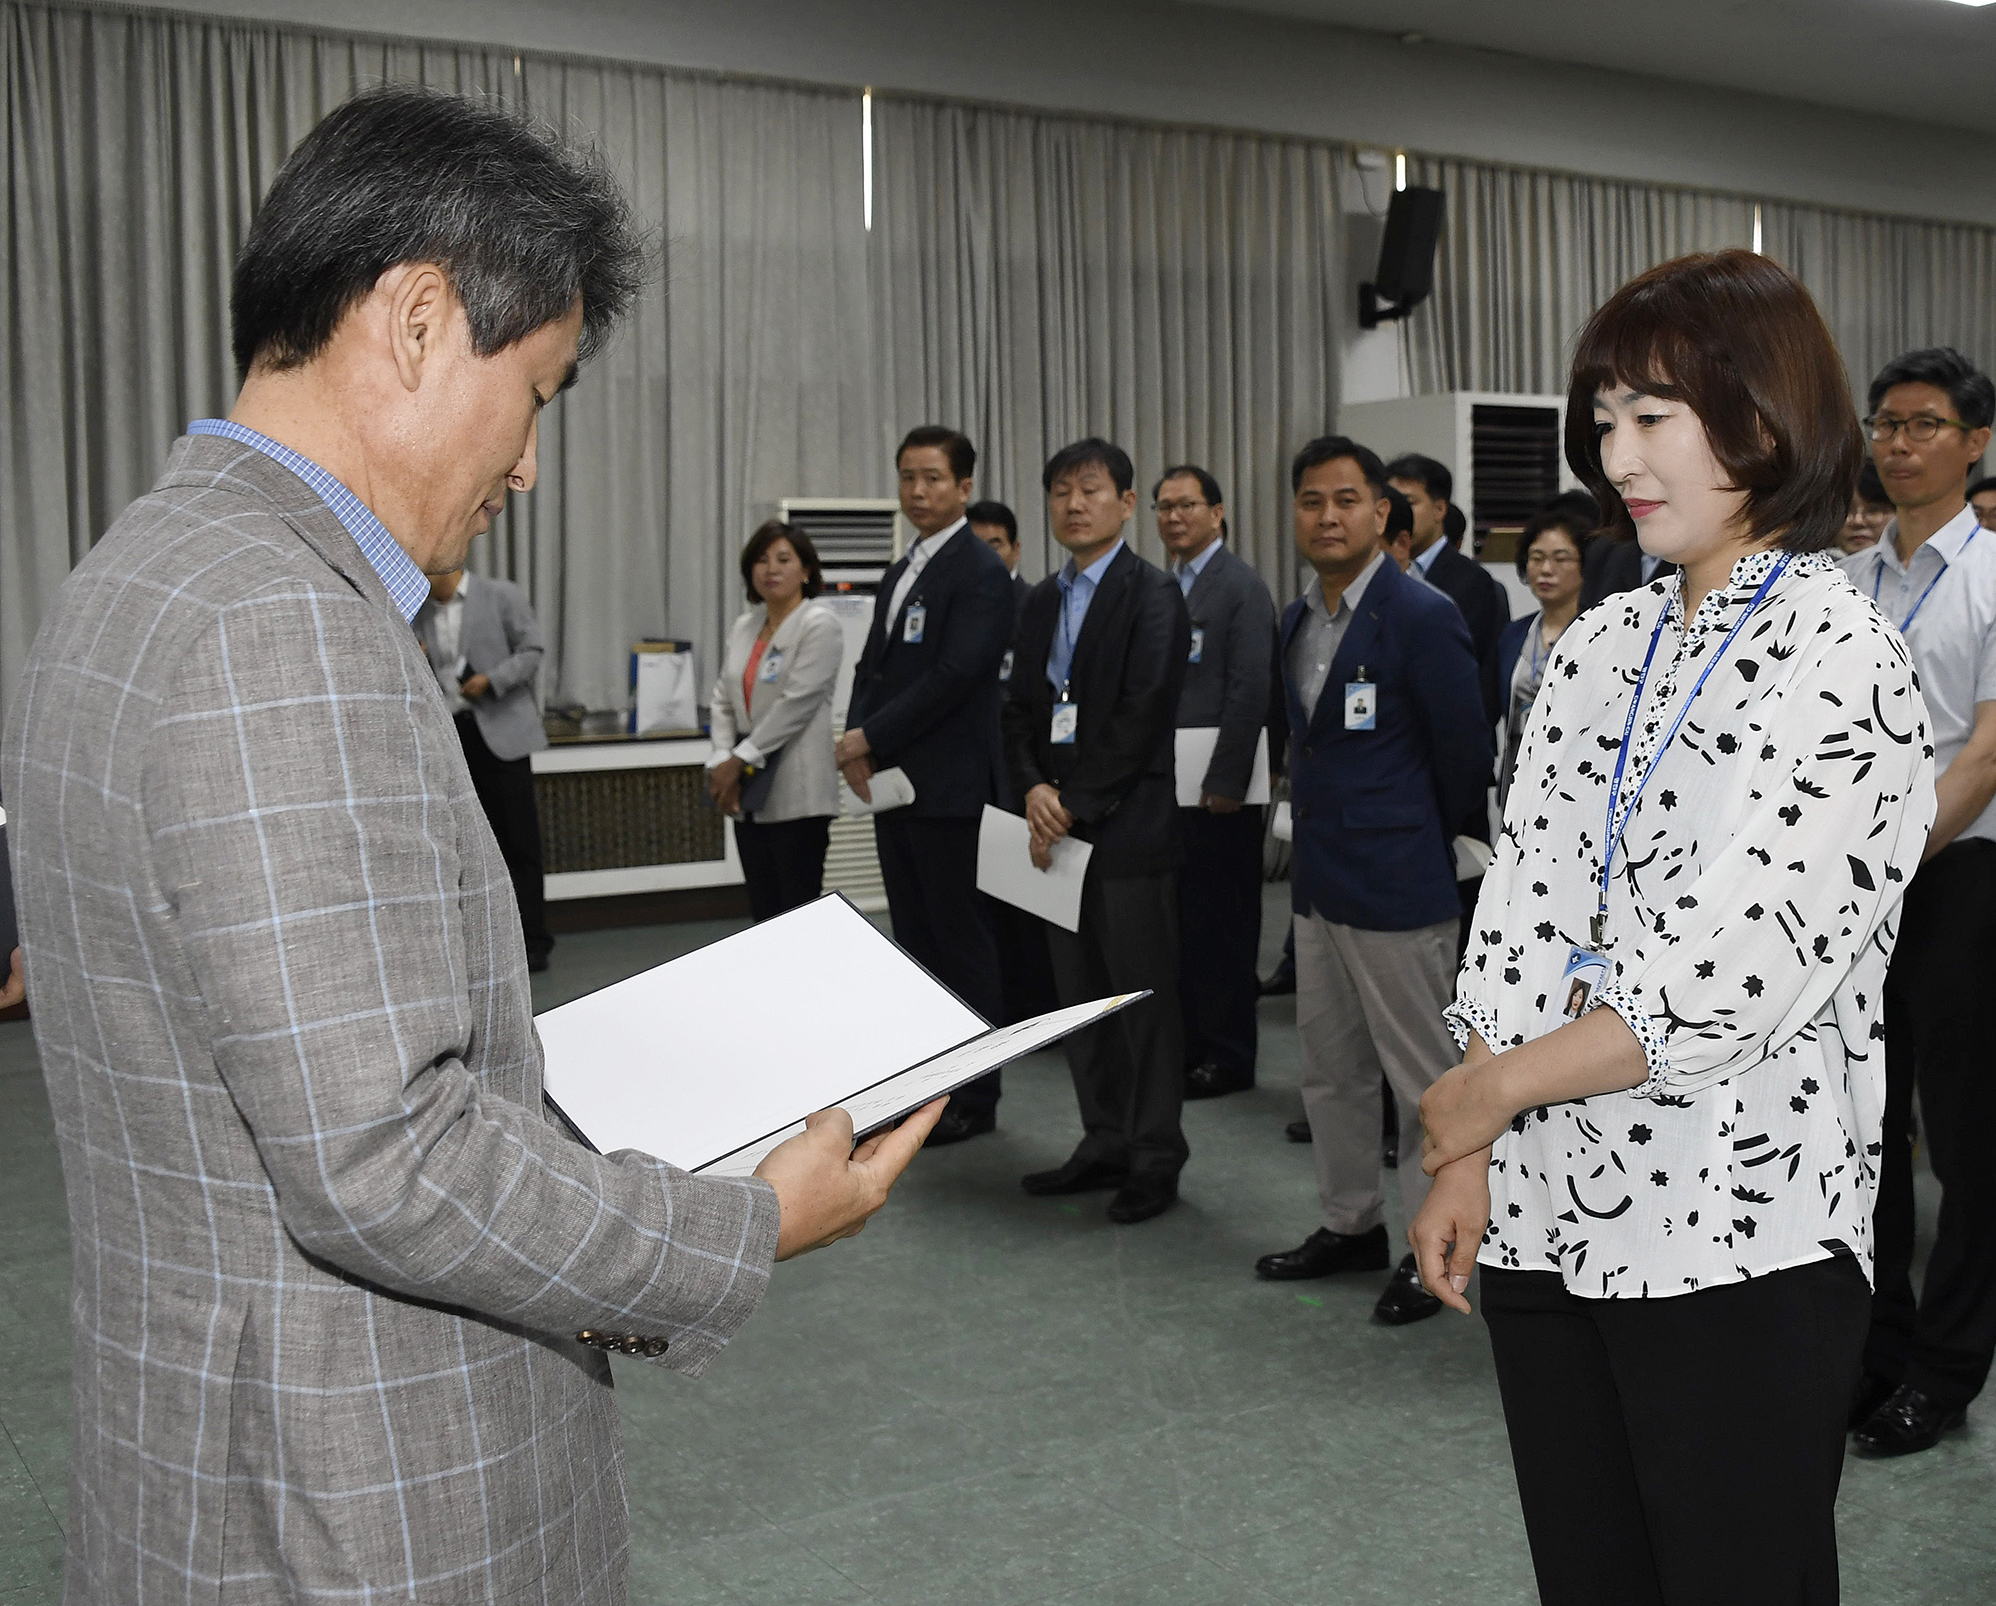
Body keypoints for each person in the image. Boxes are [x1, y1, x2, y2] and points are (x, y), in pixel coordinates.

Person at [0, 87, 942, 1605]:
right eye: (542, 393)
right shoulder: (280, 621)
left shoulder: (141, 567)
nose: (526, 469)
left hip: (213, 1453)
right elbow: (383, 1157)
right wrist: (746, 1224)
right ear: (422, 319)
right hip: (358, 1495)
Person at [1412, 251, 1932, 1606]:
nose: (1617, 452)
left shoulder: (1848, 655)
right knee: (1593, 1571)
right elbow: (1520, 904)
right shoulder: (1598, 640)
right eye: (1603, 420)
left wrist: (1486, 1089)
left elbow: (1732, 973)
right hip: (1543, 1207)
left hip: (1737, 1223)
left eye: (1653, 414)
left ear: (1762, 419)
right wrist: (1473, 1153)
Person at [1255, 435, 1489, 1326]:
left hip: (1398, 888)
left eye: (1346, 501)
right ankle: (1348, 1222)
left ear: (1380, 514)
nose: (1327, 517)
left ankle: (1433, 1248)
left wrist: (1412, 838)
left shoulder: (1421, 614)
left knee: (1422, 1082)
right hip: (1318, 886)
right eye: (1311, 501)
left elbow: (1463, 754)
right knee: (1331, 1073)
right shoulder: (1297, 618)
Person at [1842, 347, 1996, 1458]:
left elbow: (1985, 755)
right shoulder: (1848, 582)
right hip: (1858, 883)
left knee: (1967, 1136)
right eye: (1885, 424)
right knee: (1868, 1122)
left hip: (1961, 876)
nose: (1899, 443)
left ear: (1976, 442)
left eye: (1925, 425)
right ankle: (1876, 1347)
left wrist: (1893, 853)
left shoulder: (1990, 575)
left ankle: (1945, 1369)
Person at [1004, 438, 1191, 1224]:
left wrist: (1071, 799)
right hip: (1055, 830)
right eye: (1059, 492)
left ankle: (1154, 1156)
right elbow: (1014, 709)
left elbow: (1142, 713)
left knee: (1142, 1002)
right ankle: (1103, 1139)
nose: (1073, 504)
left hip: (1125, 830)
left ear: (1124, 503)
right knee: (1078, 998)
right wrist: (1032, 788)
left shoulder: (1154, 595)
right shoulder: (1041, 599)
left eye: (1090, 490)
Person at [840, 427, 1016, 1146]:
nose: (919, 491)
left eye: (934, 479)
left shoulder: (979, 571)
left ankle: (977, 1095)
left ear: (965, 487)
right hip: (896, 787)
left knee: (959, 943)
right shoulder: (903, 566)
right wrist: (857, 738)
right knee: (912, 942)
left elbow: (955, 676)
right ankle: (927, 1086)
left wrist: (869, 738)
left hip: (949, 789)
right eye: (908, 477)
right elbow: (872, 669)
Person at [1154, 464, 1276, 1101]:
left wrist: (1226, 779)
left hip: (1221, 793)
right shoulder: (1164, 585)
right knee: (1182, 927)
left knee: (1224, 926)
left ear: (1218, 513)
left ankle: (1229, 1055)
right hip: (1170, 790)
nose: (1175, 517)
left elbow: (1250, 687)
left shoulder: (1239, 587)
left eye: (1188, 505)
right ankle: (1192, 1046)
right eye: (1165, 506)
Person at [413, 565, 554, 969]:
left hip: (501, 734)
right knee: (468, 846)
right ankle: (485, 947)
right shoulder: (417, 609)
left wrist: (492, 679)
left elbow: (532, 651)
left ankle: (534, 943)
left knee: (519, 843)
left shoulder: (500, 595)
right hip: (449, 735)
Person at [706, 520, 844, 922]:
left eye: (784, 559)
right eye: (762, 560)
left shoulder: (819, 623)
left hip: (798, 794)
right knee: (763, 914)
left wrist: (738, 761)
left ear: (806, 570)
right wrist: (719, 759)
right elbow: (722, 698)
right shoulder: (744, 625)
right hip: (747, 793)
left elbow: (796, 704)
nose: (772, 568)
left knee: (797, 914)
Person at [1491, 507, 1594, 806]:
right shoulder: (1514, 634)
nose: (1546, 569)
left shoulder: (1598, 633)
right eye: (1536, 558)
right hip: (1517, 780)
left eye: (1561, 559)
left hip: (1576, 785)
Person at [1385, 453, 1509, 682]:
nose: (1397, 512)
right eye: (1391, 503)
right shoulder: (1380, 571)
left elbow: (1479, 672)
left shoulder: (1472, 582)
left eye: (1409, 502)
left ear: (1439, 509)